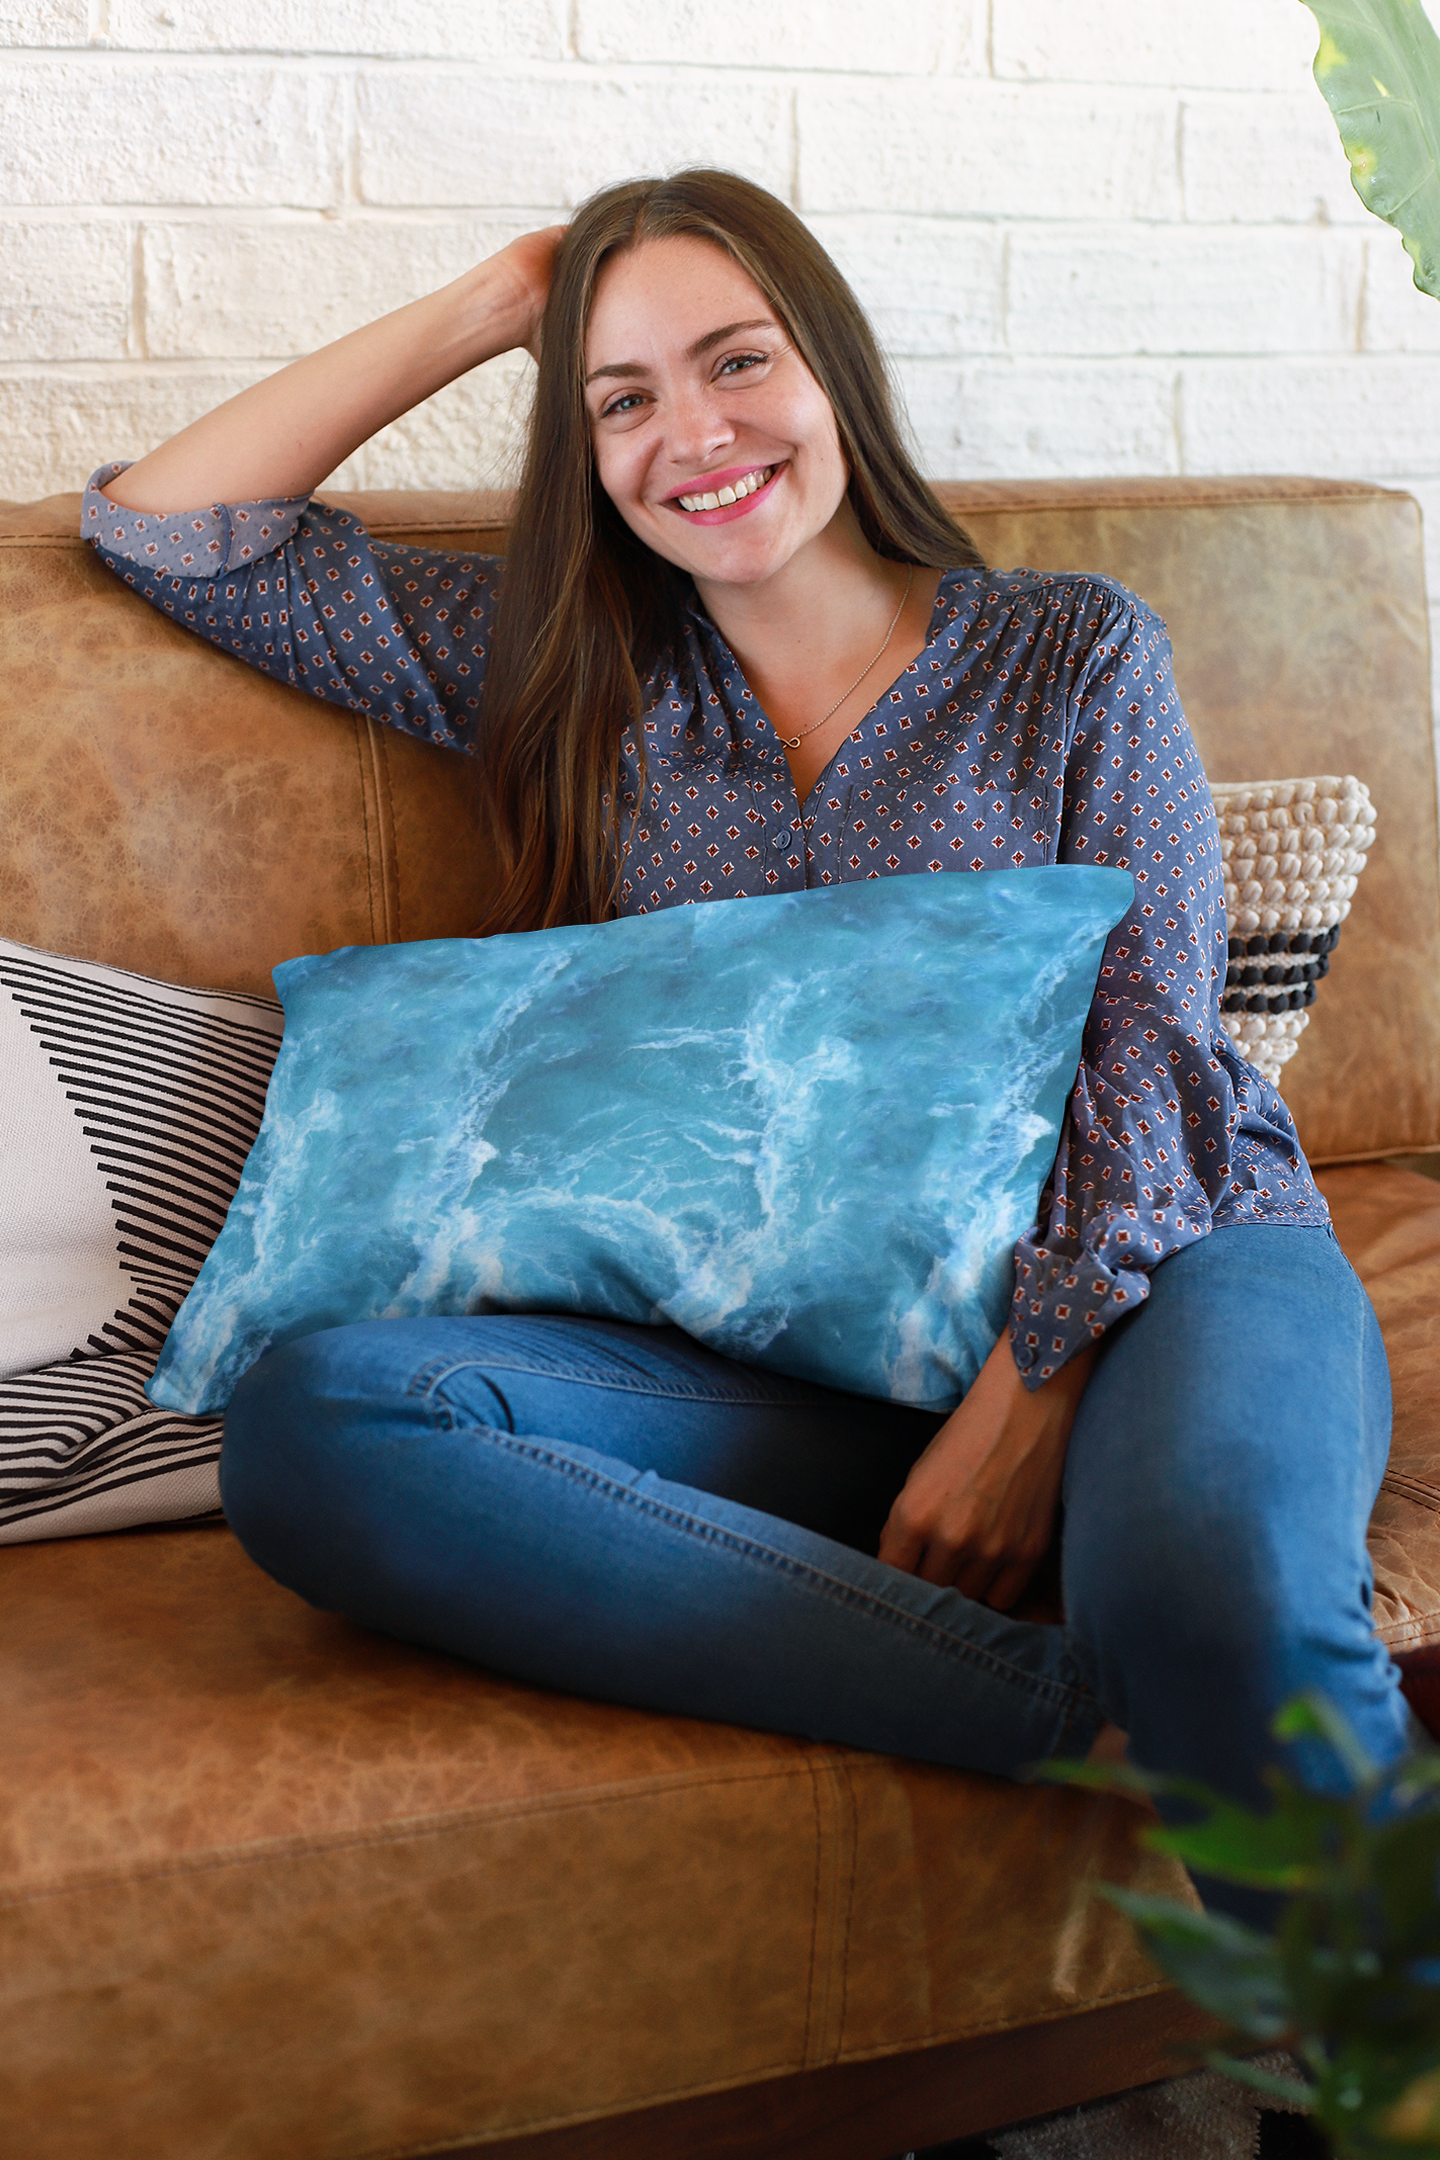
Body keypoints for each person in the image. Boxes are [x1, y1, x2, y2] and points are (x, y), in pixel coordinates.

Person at [84, 169, 1412, 1872]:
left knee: (1219, 1588)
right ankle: (1074, 1717)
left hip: (1167, 1280)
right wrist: (508, 301)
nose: (692, 434)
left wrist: (1032, 1392)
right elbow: (168, 529)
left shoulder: (1067, 652)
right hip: (782, 1359)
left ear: (833, 372)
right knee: (316, 1424)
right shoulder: (568, 681)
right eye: (621, 401)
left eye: (736, 363)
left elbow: (1156, 1040)